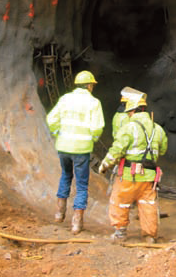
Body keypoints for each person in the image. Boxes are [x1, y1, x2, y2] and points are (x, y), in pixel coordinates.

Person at [98, 91, 168, 243]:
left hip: (129, 174)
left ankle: (120, 233)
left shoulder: (129, 128)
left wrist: (105, 164)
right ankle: (149, 236)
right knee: (148, 204)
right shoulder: (158, 129)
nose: (128, 115)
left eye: (129, 112)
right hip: (149, 177)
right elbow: (162, 150)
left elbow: (117, 150)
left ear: (133, 111)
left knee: (120, 201)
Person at [46, 70, 105, 234]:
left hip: (63, 146)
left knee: (65, 175)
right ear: (88, 85)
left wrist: (58, 132)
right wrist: (91, 138)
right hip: (81, 148)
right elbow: (97, 127)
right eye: (92, 84)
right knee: (81, 185)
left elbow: (51, 119)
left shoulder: (65, 99)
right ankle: (77, 222)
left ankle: (59, 213)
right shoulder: (94, 103)